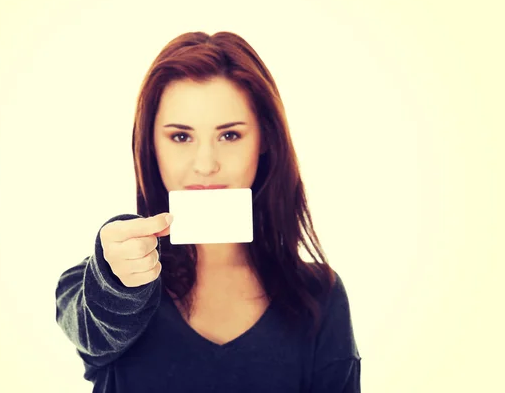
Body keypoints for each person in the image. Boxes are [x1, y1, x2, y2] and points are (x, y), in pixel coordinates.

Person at [55, 31, 361, 392]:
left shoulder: (319, 297)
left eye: (229, 135)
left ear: (264, 140)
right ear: (150, 144)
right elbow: (91, 323)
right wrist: (113, 279)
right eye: (181, 137)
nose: (205, 164)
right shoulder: (104, 284)